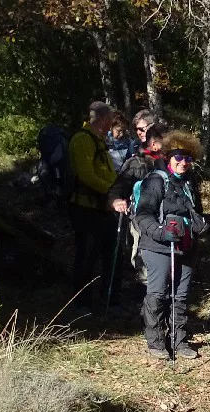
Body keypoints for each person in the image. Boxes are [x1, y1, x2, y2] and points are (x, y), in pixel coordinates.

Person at [131, 130, 210, 360]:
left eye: (188, 158)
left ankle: (179, 340)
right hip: (158, 246)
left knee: (181, 295)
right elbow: (143, 215)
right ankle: (156, 341)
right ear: (168, 156)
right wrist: (160, 231)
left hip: (186, 246)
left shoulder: (189, 183)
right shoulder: (156, 181)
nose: (184, 162)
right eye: (179, 156)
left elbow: (196, 217)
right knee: (157, 294)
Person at [67, 101, 119, 302]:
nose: (112, 125)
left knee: (111, 255)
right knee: (87, 256)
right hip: (85, 209)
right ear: (104, 119)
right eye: (110, 121)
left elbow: (104, 171)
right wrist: (112, 192)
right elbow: (86, 175)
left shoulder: (98, 140)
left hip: (103, 207)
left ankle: (109, 299)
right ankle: (81, 302)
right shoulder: (82, 140)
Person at [109, 121, 167, 287]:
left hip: (167, 222)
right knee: (146, 266)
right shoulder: (137, 163)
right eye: (167, 141)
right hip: (142, 223)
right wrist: (116, 200)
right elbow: (118, 188)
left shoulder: (173, 164)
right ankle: (148, 302)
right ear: (154, 144)